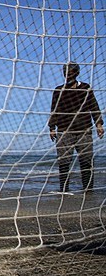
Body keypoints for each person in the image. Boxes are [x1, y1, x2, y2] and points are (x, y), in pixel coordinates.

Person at [48, 62, 103, 195]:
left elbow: (93, 106)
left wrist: (99, 124)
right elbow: (54, 109)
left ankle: (88, 190)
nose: (67, 76)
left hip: (84, 130)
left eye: (70, 73)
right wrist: (51, 127)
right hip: (64, 130)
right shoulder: (58, 90)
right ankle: (64, 190)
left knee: (86, 161)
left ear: (76, 73)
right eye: (65, 73)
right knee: (64, 162)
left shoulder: (85, 88)